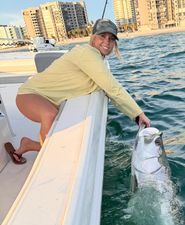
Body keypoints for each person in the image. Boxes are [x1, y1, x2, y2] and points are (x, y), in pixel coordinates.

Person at [6, 19, 151, 164]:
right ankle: (48, 163)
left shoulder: (95, 60)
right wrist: (138, 114)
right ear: (93, 37)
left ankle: (28, 145)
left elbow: (110, 91)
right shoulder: (86, 53)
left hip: (49, 100)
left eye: (111, 38)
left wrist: (135, 116)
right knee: (49, 115)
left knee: (58, 132)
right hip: (28, 95)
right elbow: (113, 88)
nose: (107, 41)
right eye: (102, 36)